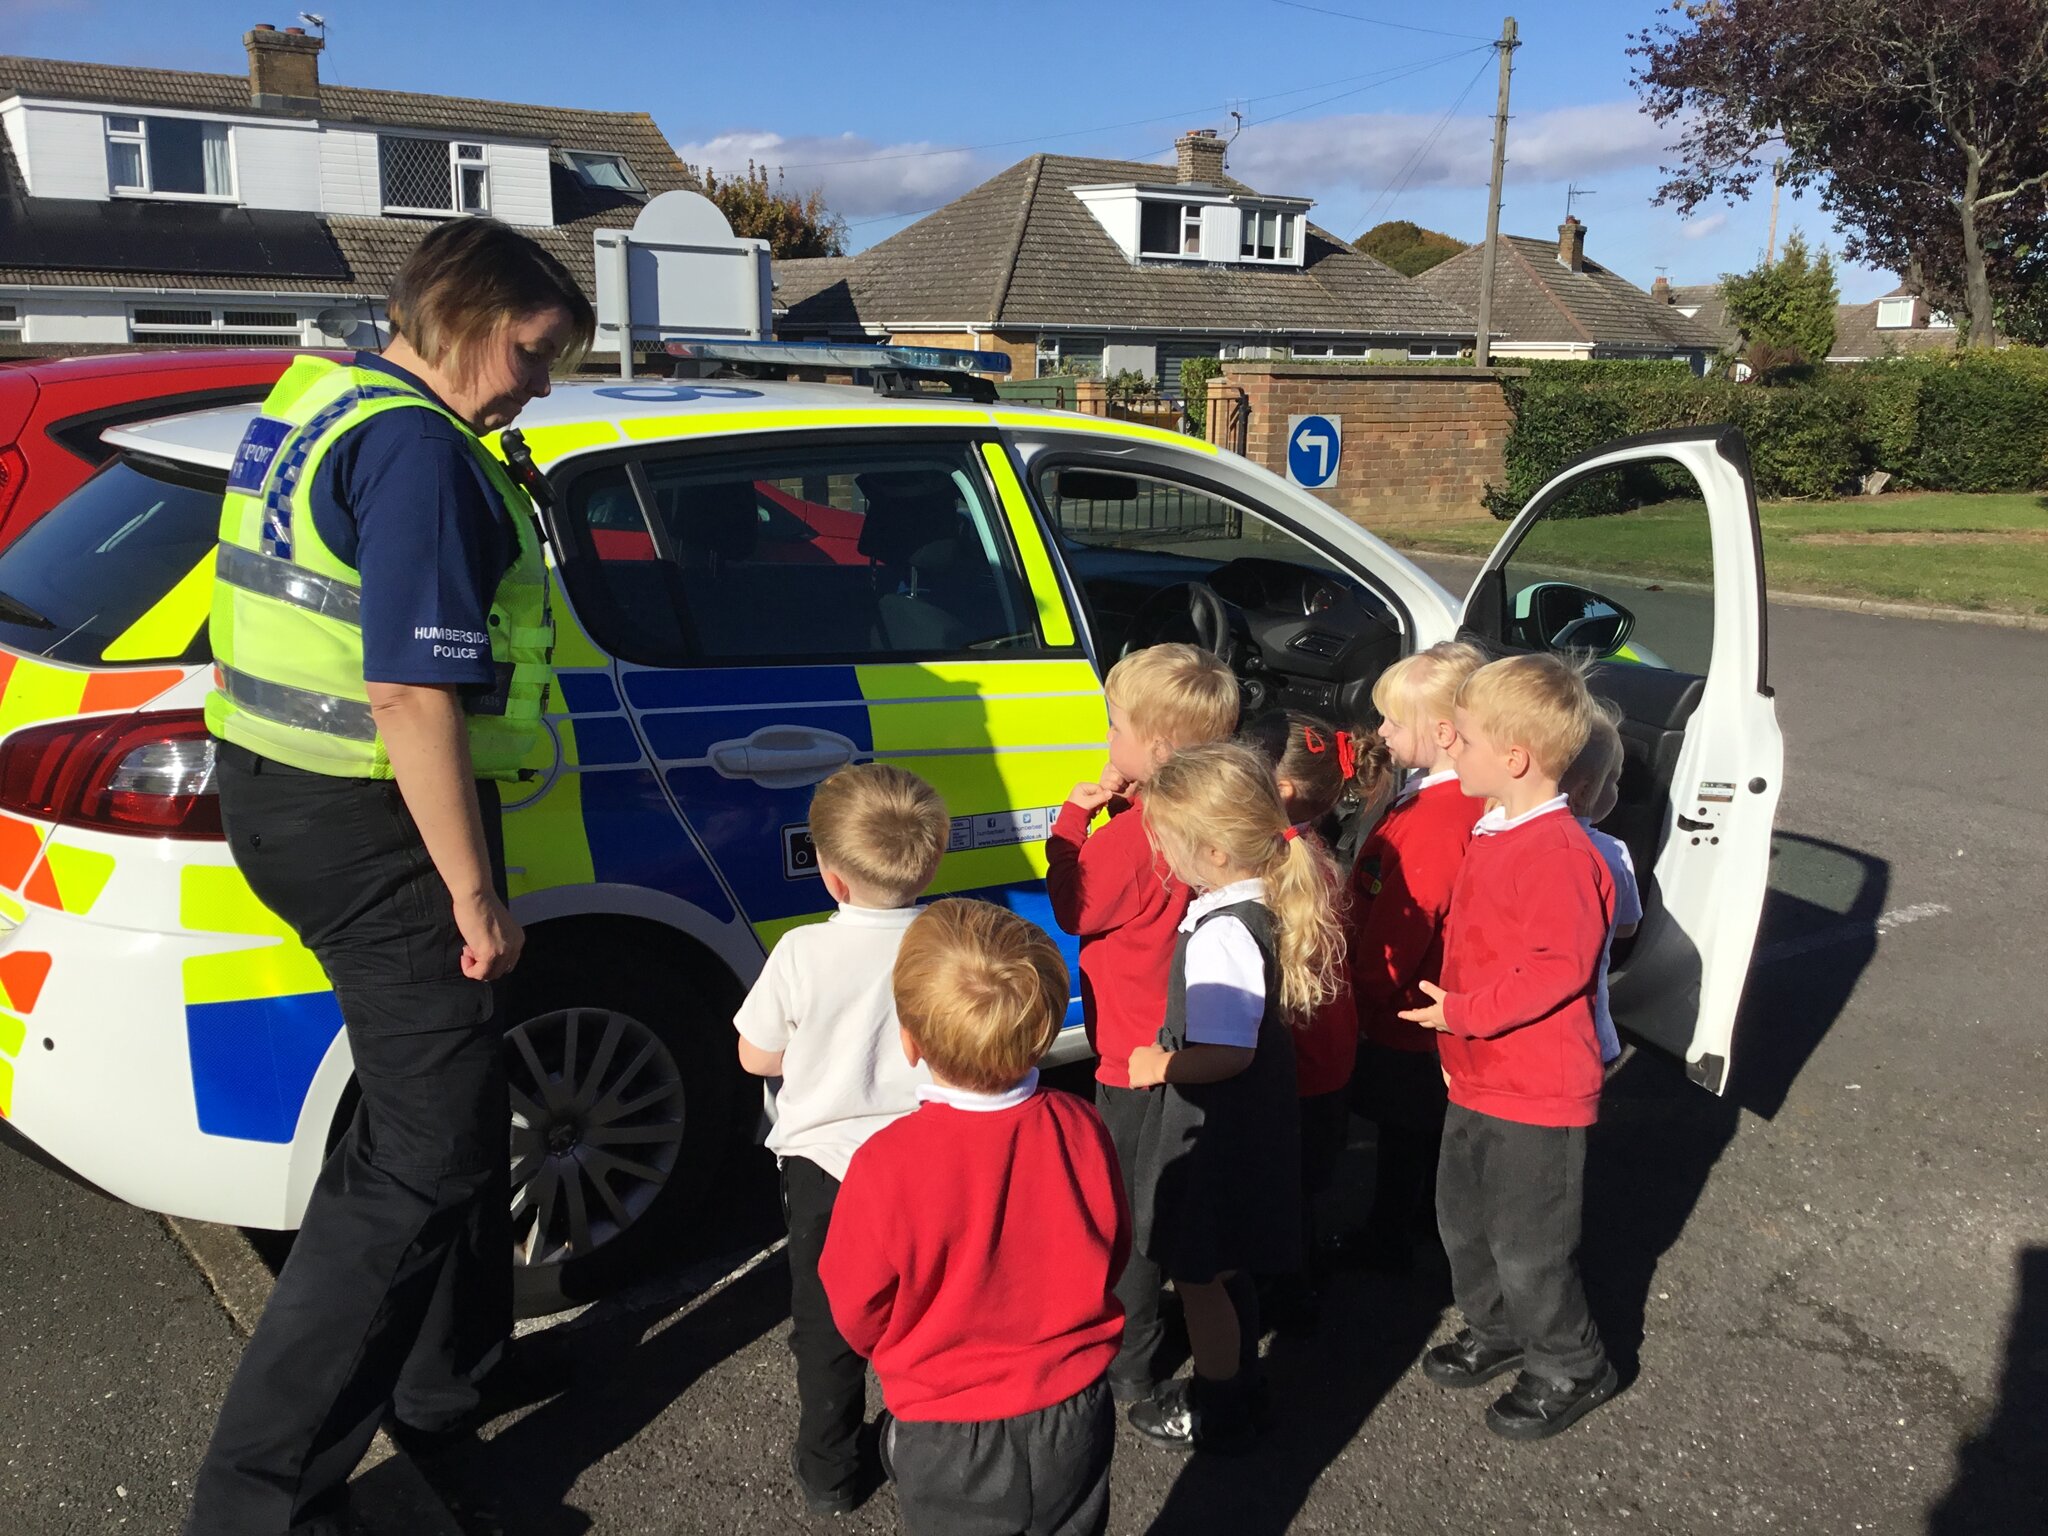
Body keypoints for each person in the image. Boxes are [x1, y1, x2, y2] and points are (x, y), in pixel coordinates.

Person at [187, 218, 594, 1535]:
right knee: (418, 1158)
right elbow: (413, 688)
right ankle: (256, 1500)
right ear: (472, 321)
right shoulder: (417, 446)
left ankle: (450, 1381)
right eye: (534, 354)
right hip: (375, 815)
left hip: (294, 796)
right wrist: (471, 892)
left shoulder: (322, 398)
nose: (539, 385)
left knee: (450, 1091)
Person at [820, 899, 1128, 1536]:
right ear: (1042, 1029)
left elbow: (854, 1306)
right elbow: (1113, 1244)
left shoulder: (885, 1164)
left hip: (948, 1426)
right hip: (1076, 1404)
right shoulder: (1081, 1125)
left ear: (908, 1042)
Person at [1399, 654, 1620, 1441]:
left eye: (1465, 736)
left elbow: (1553, 973)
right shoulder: (1495, 830)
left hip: (1535, 1090)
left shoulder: (1559, 854)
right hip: (1477, 1078)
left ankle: (1570, 1361)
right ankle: (1496, 1332)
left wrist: (1461, 1011)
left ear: (1516, 758)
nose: (1449, 743)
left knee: (1531, 1244)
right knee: (1464, 1221)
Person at [733, 763, 951, 1515]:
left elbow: (755, 1056)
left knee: (827, 1321)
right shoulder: (943, 938)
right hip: (927, 1159)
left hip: (826, 1170)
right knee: (926, 1303)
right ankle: (931, 1440)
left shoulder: (800, 951)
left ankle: (829, 1470)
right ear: (933, 859)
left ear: (831, 876)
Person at [1124, 741, 1345, 1452]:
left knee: (1196, 1274)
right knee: (1225, 1263)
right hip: (1250, 1122)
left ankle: (1218, 1404)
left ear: (1213, 851)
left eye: (1169, 842)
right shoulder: (1253, 905)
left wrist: (1162, 1064)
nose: (1163, 854)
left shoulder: (1222, 933)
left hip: (1219, 1128)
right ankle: (1240, 1382)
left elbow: (1228, 1053)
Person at [1046, 641, 1239, 1404]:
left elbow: (1078, 907)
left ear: (1156, 748)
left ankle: (1132, 1358)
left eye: (1114, 725)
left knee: (1129, 1208)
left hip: (1129, 1052)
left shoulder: (1128, 836)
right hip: (1190, 1037)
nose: (1107, 739)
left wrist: (1072, 823)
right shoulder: (1204, 815)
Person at [1239, 710, 1389, 1331]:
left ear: (1282, 792)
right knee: (1299, 1187)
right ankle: (1296, 1281)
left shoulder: (1269, 872)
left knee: (1273, 1185)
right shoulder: (1318, 859)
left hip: (1289, 1069)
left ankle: (1283, 1294)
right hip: (1328, 1062)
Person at [1344, 642, 1487, 1275]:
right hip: (1417, 1006)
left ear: (1443, 731)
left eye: (1394, 723)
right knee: (1417, 1135)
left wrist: (1363, 988)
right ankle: (1418, 1224)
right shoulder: (1441, 797)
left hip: (1405, 1013)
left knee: (1406, 1137)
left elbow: (1406, 927)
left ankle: (1393, 1239)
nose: (1381, 732)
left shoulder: (1436, 819)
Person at [1558, 708, 1641, 1067]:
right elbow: (1626, 926)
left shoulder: (1495, 833)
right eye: (1615, 780)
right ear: (1586, 791)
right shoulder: (1611, 854)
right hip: (1586, 1025)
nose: (1618, 790)